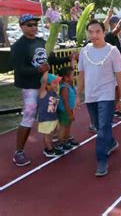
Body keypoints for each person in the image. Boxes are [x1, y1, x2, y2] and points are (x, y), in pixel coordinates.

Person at [10, 14, 74, 167]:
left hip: (47, 86)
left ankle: (49, 146)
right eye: (29, 24)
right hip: (30, 87)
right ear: (21, 26)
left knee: (50, 115)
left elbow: (51, 60)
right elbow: (18, 69)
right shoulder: (18, 46)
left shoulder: (41, 42)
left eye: (35, 24)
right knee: (29, 117)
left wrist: (68, 58)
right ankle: (19, 151)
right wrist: (37, 70)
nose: (33, 27)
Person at [76, 19, 121, 177]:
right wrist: (78, 95)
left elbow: (119, 76)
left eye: (97, 31)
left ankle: (102, 160)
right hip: (91, 96)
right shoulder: (84, 51)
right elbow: (81, 75)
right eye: (90, 32)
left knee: (103, 127)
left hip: (107, 95)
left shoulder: (113, 51)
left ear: (104, 32)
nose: (94, 35)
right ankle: (110, 143)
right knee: (98, 126)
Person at [38, 72, 64, 157]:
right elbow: (44, 81)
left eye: (57, 83)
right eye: (54, 83)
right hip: (46, 119)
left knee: (51, 134)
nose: (57, 84)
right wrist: (45, 71)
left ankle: (50, 147)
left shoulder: (54, 92)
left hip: (53, 117)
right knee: (47, 135)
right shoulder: (43, 93)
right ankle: (49, 150)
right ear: (47, 85)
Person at [57, 66, 79, 150]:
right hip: (64, 111)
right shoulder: (64, 88)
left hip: (69, 110)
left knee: (68, 125)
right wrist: (69, 113)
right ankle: (61, 142)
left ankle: (66, 139)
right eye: (72, 75)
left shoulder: (69, 85)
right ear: (66, 77)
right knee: (63, 126)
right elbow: (65, 102)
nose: (74, 77)